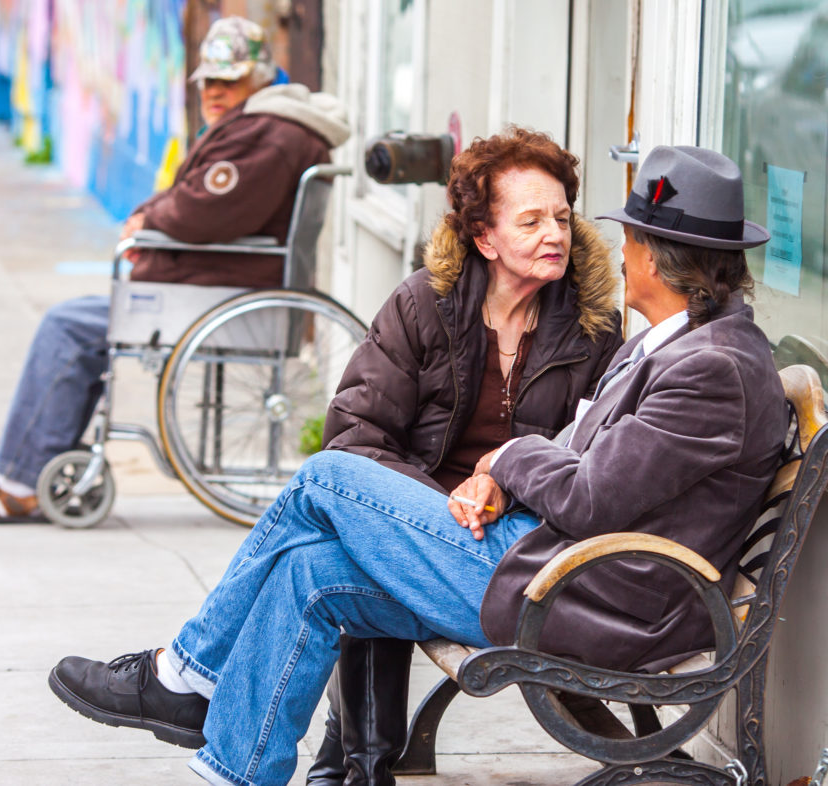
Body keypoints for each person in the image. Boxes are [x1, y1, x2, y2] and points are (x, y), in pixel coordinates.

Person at [47, 144, 788, 786]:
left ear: (654, 256)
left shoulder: (710, 366)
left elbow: (591, 494)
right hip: (554, 564)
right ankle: (239, 768)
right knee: (310, 570)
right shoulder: (672, 343)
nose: (607, 247)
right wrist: (503, 479)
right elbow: (575, 455)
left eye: (622, 236)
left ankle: (183, 673)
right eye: (533, 220)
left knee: (324, 477)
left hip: (585, 596)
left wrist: (504, 455)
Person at [0, 16, 349, 523]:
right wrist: (153, 220)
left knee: (68, 328)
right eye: (210, 81)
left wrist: (148, 222)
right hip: (221, 284)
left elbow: (206, 210)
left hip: (220, 290)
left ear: (260, 78)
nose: (215, 92)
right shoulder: (264, 125)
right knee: (79, 326)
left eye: (229, 80)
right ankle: (31, 472)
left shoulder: (267, 133)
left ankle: (20, 483)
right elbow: (204, 202)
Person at [308, 127, 623, 785]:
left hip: (517, 537)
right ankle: (357, 765)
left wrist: (505, 489)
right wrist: (431, 507)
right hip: (425, 510)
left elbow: (591, 462)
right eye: (531, 220)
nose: (555, 234)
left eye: (562, 217)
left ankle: (353, 766)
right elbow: (356, 436)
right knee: (358, 548)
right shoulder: (425, 305)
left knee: (354, 561)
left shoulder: (594, 328)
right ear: (485, 237)